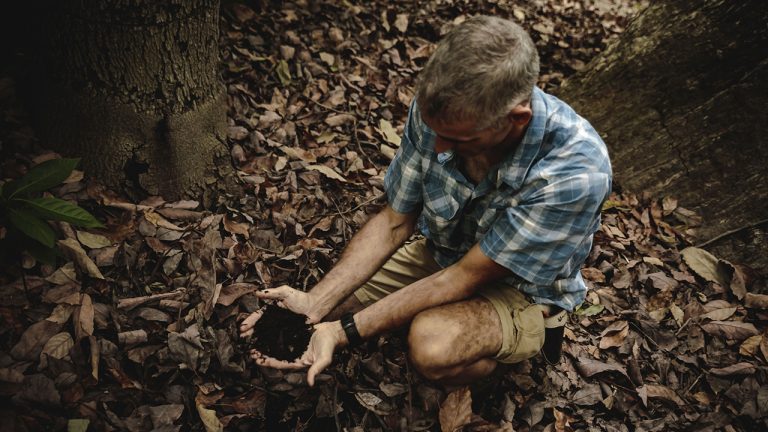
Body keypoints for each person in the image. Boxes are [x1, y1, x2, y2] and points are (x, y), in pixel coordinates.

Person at [239, 15, 612, 388]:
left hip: (520, 289)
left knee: (431, 345)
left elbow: (465, 277)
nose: (439, 148)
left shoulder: (574, 174)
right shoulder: (440, 113)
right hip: (445, 257)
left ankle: (510, 356)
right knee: (325, 311)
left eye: (458, 140)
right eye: (436, 131)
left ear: (516, 119)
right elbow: (394, 222)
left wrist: (340, 333)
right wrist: (314, 304)